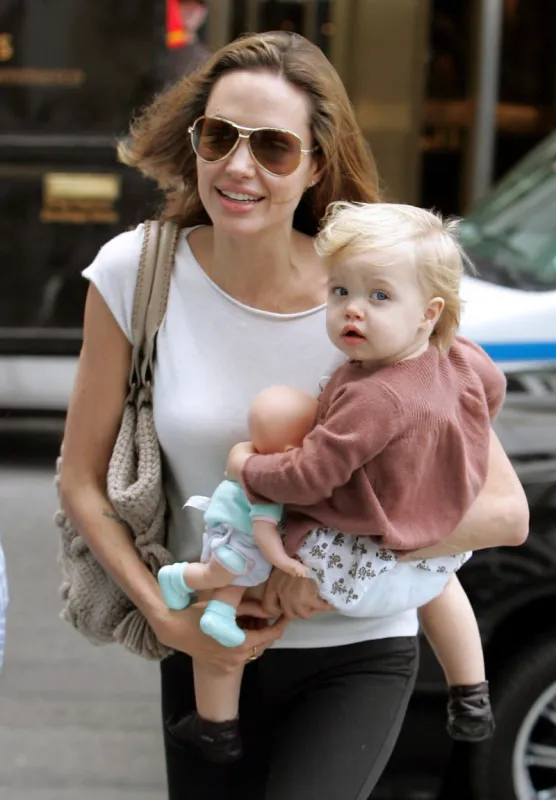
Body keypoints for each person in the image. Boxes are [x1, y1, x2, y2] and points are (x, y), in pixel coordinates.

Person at [59, 31, 529, 800]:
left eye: (274, 147)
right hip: (207, 649)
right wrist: (166, 621)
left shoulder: (373, 294)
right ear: (195, 142)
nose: (239, 167)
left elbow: (503, 512)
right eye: (220, 137)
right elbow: (80, 480)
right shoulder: (135, 274)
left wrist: (327, 564)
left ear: (315, 164)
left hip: (358, 654)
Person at [227, 201, 506, 749]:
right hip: (438, 539)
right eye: (340, 292)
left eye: (379, 296)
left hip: (359, 557)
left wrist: (249, 469)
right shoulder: (460, 356)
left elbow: (309, 478)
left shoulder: (375, 397)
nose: (353, 310)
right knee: (441, 585)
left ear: (428, 311)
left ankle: (221, 703)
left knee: (241, 547)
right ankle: (471, 691)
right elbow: (492, 390)